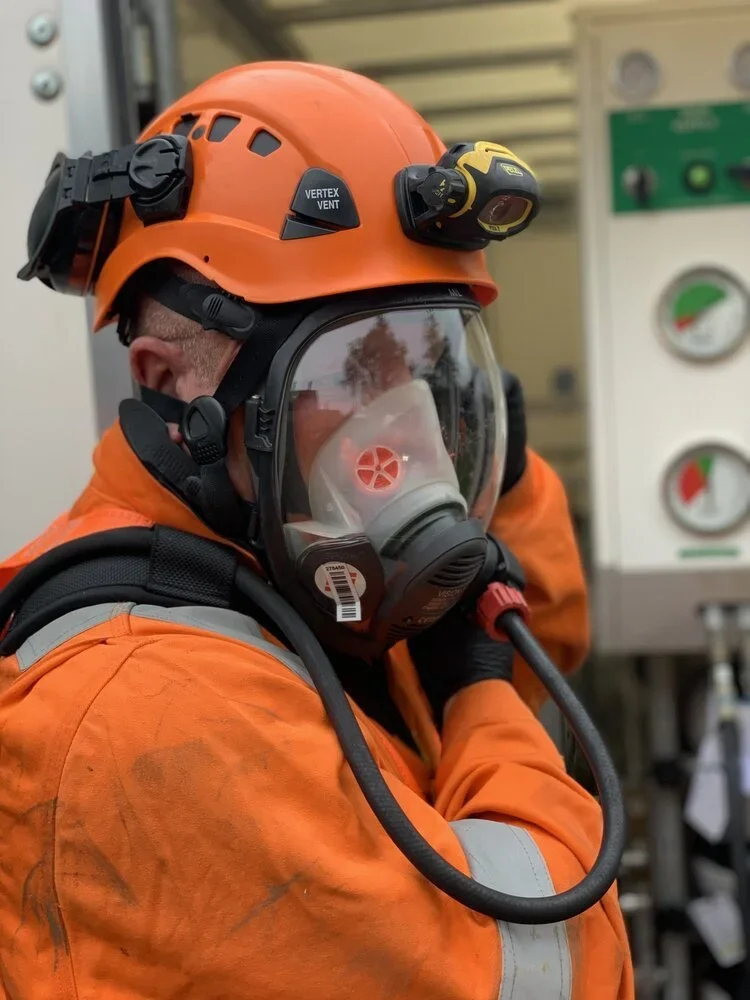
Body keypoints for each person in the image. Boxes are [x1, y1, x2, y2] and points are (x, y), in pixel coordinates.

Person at [0, 62, 632, 999]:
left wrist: (499, 487)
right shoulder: (140, 714)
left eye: (430, 359)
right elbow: (552, 968)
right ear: (174, 387)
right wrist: (479, 698)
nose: (408, 420)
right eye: (351, 373)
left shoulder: (291, 554)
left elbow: (552, 641)